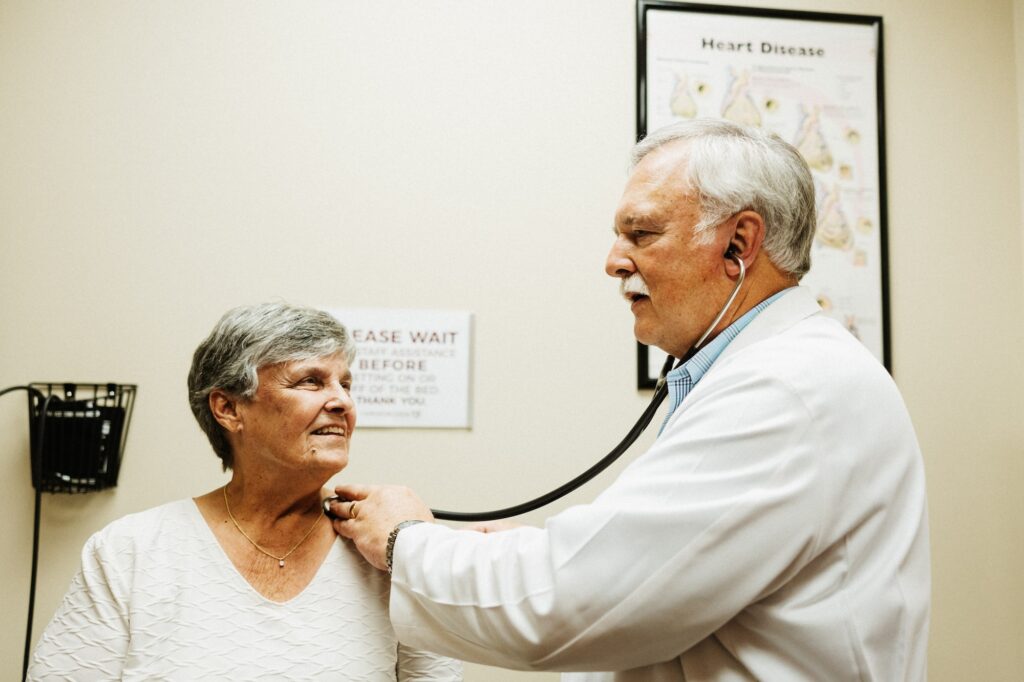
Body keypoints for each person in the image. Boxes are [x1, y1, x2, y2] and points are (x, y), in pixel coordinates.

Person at [329, 119, 930, 681]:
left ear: (739, 244)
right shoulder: (771, 372)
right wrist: (497, 558)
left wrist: (404, 540)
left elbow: (569, 603)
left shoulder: (787, 389)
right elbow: (640, 573)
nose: (614, 262)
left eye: (641, 233)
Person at [28, 303, 461, 681]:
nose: (342, 403)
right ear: (229, 408)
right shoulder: (130, 552)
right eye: (310, 381)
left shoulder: (393, 552)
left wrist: (414, 547)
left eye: (345, 384)